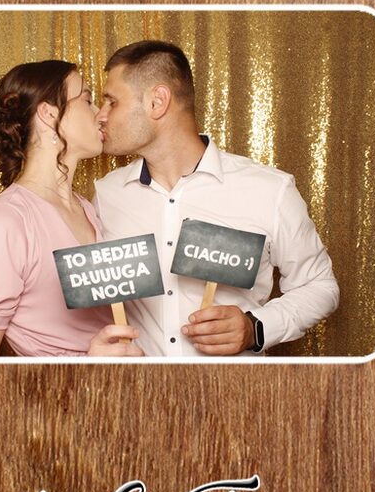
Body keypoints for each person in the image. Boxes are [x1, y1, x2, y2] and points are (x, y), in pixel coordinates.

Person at [94, 41, 339, 359]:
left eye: (111, 102)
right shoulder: (107, 195)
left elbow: (320, 286)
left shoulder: (269, 189)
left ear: (157, 102)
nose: (100, 115)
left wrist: (255, 328)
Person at [0, 60, 142, 358]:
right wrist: (87, 369)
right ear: (49, 113)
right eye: (88, 100)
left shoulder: (86, 208)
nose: (101, 114)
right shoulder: (4, 225)